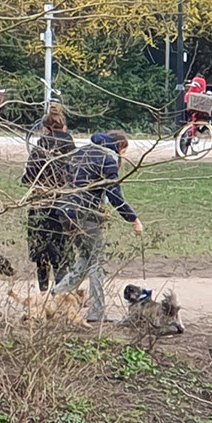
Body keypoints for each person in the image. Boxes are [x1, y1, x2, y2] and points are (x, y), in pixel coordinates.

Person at [52, 130, 144, 323]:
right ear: (119, 147)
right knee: (97, 262)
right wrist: (133, 219)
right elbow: (114, 194)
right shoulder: (107, 159)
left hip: (65, 212)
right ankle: (97, 311)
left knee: (85, 258)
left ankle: (54, 296)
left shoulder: (80, 152)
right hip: (86, 215)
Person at [20, 108, 76, 292]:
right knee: (63, 254)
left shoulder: (39, 150)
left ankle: (43, 294)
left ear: (46, 129)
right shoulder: (73, 152)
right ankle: (62, 295)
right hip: (65, 206)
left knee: (42, 254)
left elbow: (29, 179)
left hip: (41, 206)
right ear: (64, 127)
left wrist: (25, 175)